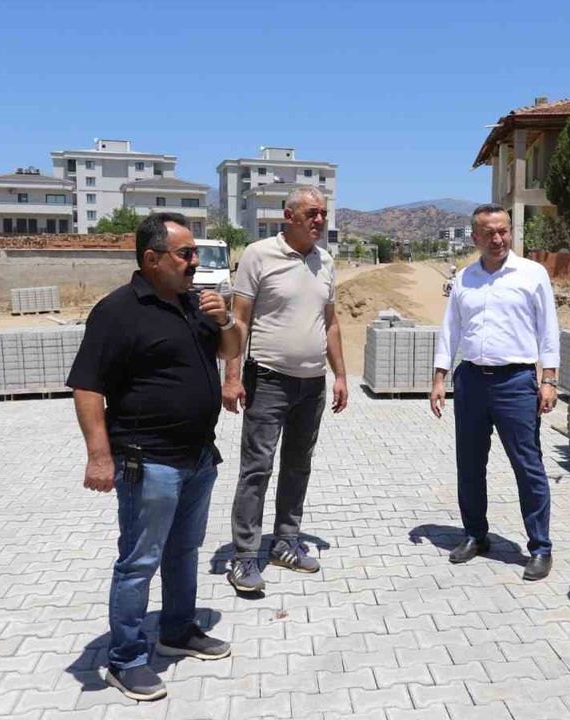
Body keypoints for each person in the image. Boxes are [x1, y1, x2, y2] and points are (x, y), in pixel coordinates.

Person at [68, 212, 241, 701]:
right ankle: (125, 658)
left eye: (196, 253)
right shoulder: (117, 311)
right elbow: (87, 386)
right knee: (139, 561)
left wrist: (225, 319)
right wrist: (99, 456)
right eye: (186, 254)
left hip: (198, 457)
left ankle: (177, 630)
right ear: (152, 258)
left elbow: (231, 349)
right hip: (149, 461)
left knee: (184, 550)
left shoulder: (194, 303)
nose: (195, 262)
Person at [222, 186, 348, 593]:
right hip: (269, 379)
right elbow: (239, 320)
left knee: (298, 464)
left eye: (323, 213)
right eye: (311, 213)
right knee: (257, 468)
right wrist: (232, 376)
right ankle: (244, 556)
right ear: (288, 216)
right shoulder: (258, 255)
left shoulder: (325, 260)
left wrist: (340, 375)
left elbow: (330, 322)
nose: (319, 220)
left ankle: (285, 542)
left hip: (312, 383)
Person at [429, 204, 560, 581]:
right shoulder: (465, 278)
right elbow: (450, 329)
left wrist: (548, 379)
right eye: (489, 233)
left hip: (516, 383)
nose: (498, 238)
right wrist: (439, 378)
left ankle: (540, 547)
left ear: (511, 232)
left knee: (528, 466)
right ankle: (475, 534)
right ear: (475, 237)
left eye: (503, 231)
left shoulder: (532, 274)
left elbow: (548, 329)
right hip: (471, 381)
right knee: (469, 464)